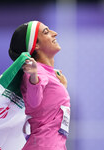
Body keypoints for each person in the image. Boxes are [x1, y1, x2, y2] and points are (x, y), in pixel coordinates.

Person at [9, 21, 70, 150]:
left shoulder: (48, 74)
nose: (55, 34)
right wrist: (33, 77)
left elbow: (47, 110)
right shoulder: (36, 71)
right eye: (47, 32)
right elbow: (34, 102)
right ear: (35, 45)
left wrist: (62, 88)